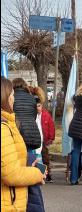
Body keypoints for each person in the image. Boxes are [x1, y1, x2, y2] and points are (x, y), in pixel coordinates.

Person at [1, 77, 44, 211]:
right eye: (12, 95)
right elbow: (11, 174)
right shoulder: (3, 128)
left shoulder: (9, 124)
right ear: (5, 98)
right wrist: (37, 174)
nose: (14, 99)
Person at [33, 87, 56, 183]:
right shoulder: (33, 115)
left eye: (39, 106)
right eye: (36, 106)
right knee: (37, 158)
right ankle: (40, 175)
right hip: (36, 140)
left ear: (42, 106)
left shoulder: (46, 115)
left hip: (44, 140)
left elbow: (51, 126)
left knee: (45, 158)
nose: (38, 108)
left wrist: (51, 138)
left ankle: (47, 174)